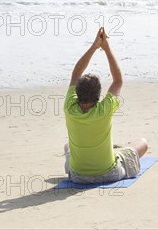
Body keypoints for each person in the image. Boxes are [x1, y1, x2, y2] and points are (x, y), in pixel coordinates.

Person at [63, 27, 149, 184]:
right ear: (98, 96)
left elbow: (75, 74)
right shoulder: (105, 109)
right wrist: (107, 48)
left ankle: (112, 151)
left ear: (77, 93)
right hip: (109, 173)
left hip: (77, 176)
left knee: (67, 146)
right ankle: (117, 152)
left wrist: (94, 47)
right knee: (142, 143)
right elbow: (118, 81)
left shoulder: (69, 107)